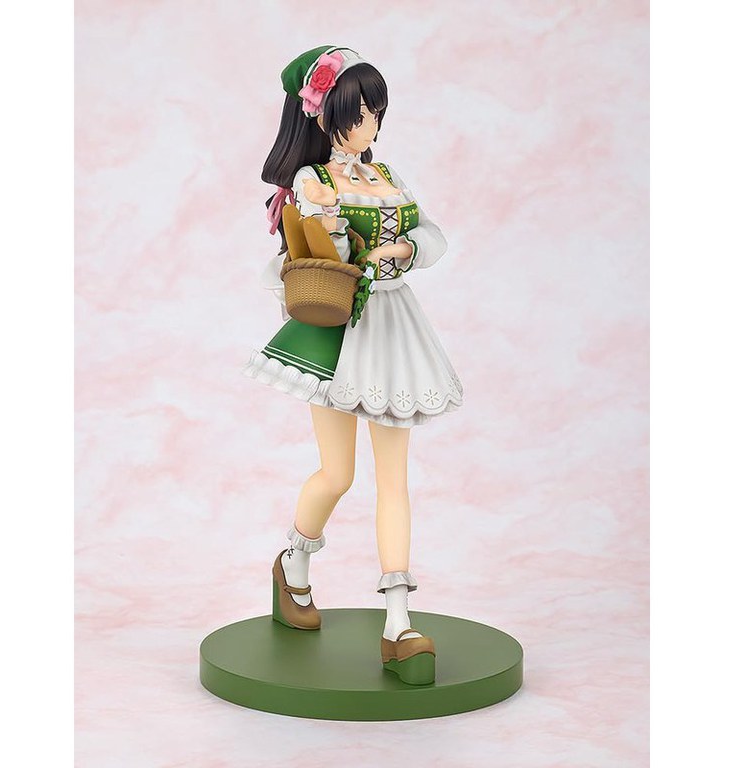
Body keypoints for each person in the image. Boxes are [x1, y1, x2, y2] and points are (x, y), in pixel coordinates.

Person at [241, 45, 464, 685]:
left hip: (392, 325)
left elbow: (433, 235)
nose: (370, 124)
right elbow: (313, 255)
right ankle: (294, 562)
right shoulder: (314, 182)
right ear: (325, 114)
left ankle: (398, 622)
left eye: (376, 111)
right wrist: (336, 233)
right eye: (359, 111)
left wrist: (405, 250)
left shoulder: (386, 173)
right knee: (338, 473)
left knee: (394, 478)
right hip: (339, 330)